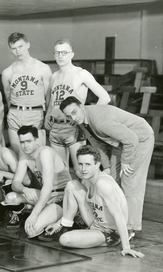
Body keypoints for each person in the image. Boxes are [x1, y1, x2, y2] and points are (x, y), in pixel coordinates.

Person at [60, 96, 154, 233]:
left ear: (81, 106)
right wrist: (108, 167)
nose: (73, 118)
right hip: (121, 141)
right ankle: (114, 223)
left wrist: (126, 162)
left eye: (74, 112)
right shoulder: (82, 120)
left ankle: (130, 228)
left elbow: (131, 139)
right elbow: (97, 145)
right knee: (112, 180)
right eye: (69, 116)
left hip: (140, 138)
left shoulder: (100, 121)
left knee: (130, 181)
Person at [41, 145, 145, 258]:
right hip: (95, 223)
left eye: (88, 164)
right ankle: (65, 225)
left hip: (110, 232)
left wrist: (126, 247)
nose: (83, 169)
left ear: (97, 165)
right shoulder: (87, 180)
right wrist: (59, 223)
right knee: (72, 185)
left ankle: (112, 240)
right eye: (80, 164)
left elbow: (119, 216)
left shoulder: (104, 184)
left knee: (65, 239)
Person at [45, 38, 111, 177]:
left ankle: (87, 198)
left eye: (64, 52)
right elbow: (52, 100)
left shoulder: (81, 73)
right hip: (56, 128)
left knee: (81, 170)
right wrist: (47, 116)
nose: (60, 56)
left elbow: (105, 97)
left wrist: (87, 118)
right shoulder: (54, 76)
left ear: (72, 54)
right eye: (57, 53)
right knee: (59, 172)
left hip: (73, 127)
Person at [2, 126, 72, 238]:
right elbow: (15, 183)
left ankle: (61, 220)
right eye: (22, 142)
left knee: (32, 230)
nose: (25, 145)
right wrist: (25, 189)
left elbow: (48, 187)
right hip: (44, 196)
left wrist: (34, 214)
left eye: (28, 141)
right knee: (10, 198)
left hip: (61, 198)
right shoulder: (25, 158)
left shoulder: (45, 153)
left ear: (36, 140)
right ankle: (37, 214)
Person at [1, 32, 52, 155]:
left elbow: (48, 97)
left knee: (36, 155)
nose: (18, 51)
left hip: (35, 113)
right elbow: (8, 97)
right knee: (18, 154)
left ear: (28, 45)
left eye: (20, 46)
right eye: (14, 48)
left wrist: (47, 116)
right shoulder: (7, 72)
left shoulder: (43, 68)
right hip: (15, 113)